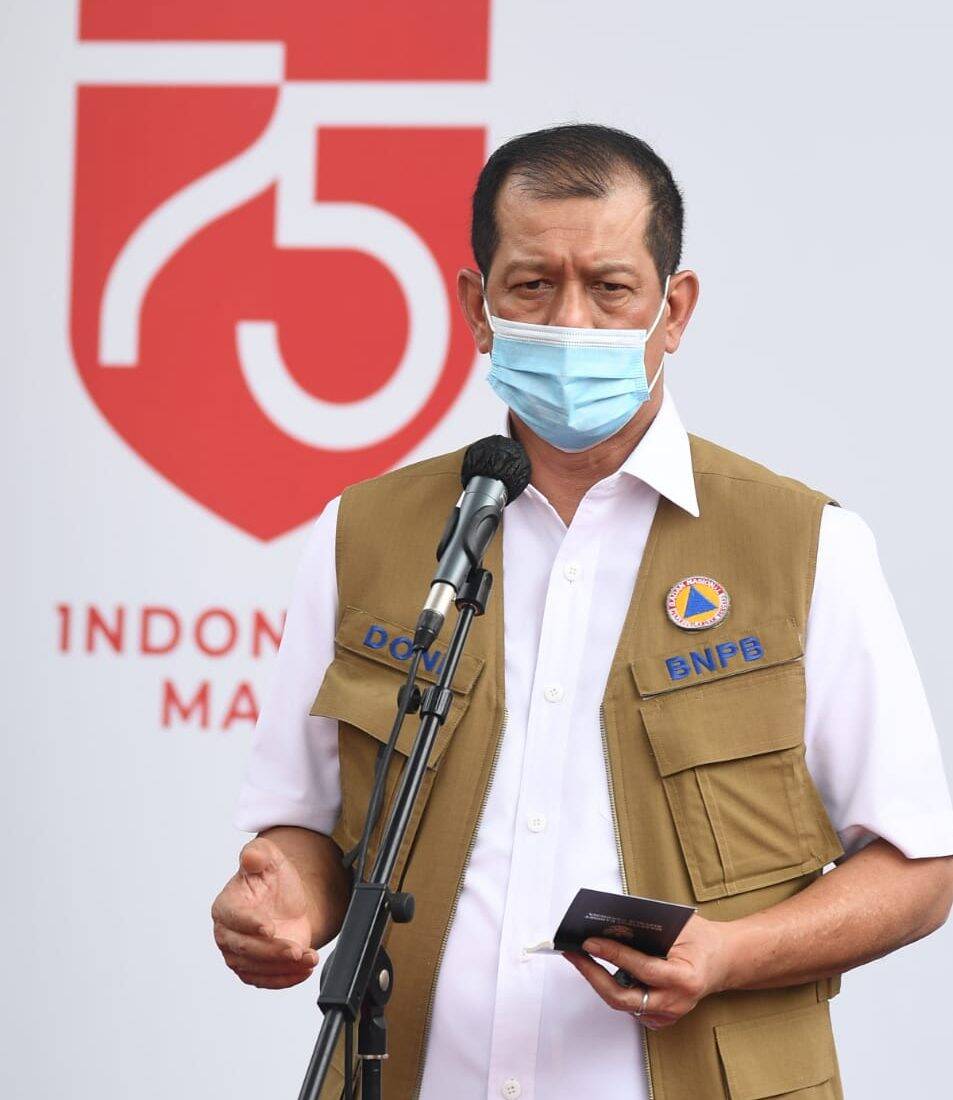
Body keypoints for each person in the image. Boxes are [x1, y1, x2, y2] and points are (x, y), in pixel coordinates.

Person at [211, 124, 953, 1099]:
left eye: (609, 287)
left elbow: (918, 867)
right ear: (476, 306)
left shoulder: (804, 544)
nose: (570, 321)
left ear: (671, 309)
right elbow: (304, 831)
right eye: (531, 285)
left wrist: (728, 953)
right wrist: (279, 909)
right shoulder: (366, 532)